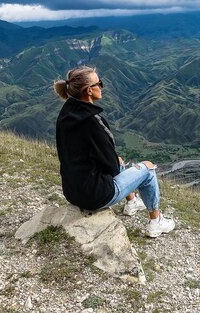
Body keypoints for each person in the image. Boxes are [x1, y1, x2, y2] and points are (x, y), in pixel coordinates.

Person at [54, 65, 175, 238]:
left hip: (72, 192)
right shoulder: (93, 122)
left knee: (116, 160)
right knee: (147, 168)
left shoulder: (66, 114)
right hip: (95, 196)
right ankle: (156, 222)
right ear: (89, 90)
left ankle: (132, 202)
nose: (102, 86)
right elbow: (111, 167)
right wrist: (113, 160)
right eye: (99, 83)